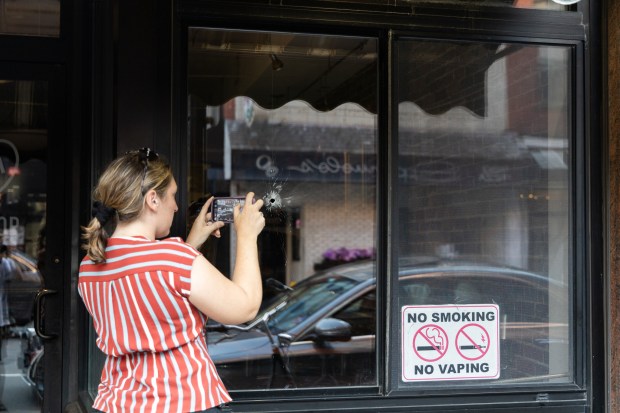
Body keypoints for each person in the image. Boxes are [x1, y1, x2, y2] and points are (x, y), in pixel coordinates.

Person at [78, 148, 265, 413]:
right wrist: (246, 236)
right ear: (153, 199)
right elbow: (244, 307)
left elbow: (156, 299)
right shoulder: (172, 258)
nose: (176, 206)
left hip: (117, 403)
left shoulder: (89, 265)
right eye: (173, 196)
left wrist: (191, 244)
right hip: (183, 403)